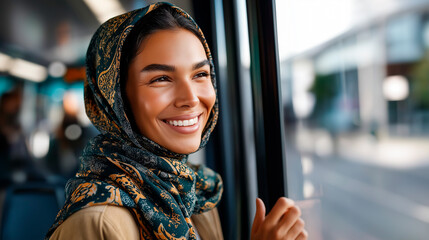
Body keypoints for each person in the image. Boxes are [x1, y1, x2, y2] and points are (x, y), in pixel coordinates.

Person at [46, 2, 307, 239]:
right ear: (116, 99)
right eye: (161, 79)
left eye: (200, 74)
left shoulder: (192, 190)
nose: (190, 98)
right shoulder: (98, 224)